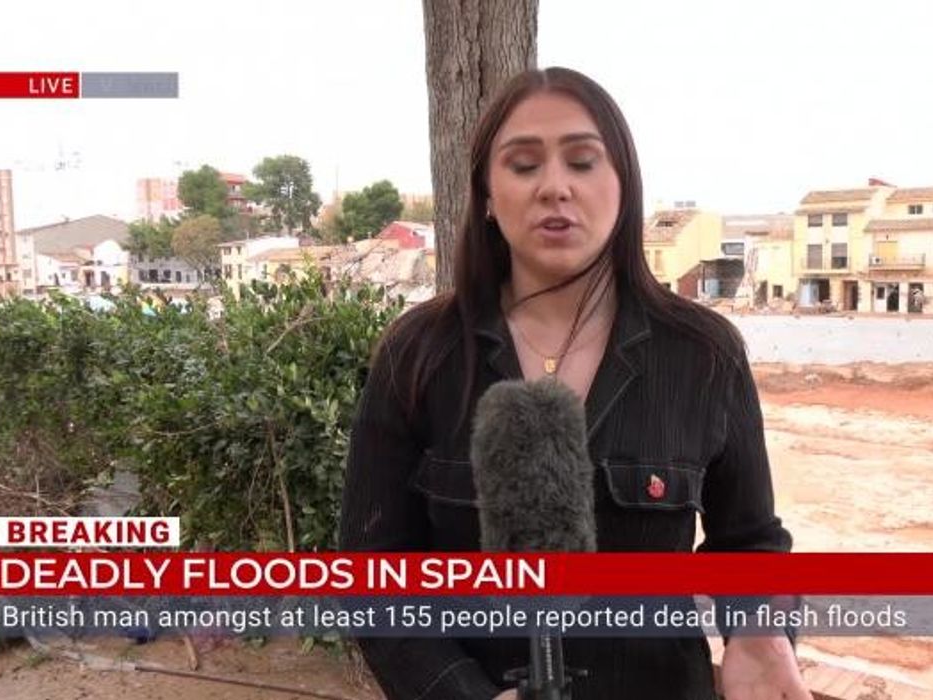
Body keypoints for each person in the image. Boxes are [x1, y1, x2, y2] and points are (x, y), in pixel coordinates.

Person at [339, 66, 808, 700]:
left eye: (583, 162)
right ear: (485, 193)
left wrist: (760, 634)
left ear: (622, 185)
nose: (555, 187)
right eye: (524, 165)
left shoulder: (703, 354)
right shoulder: (419, 354)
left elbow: (749, 542)